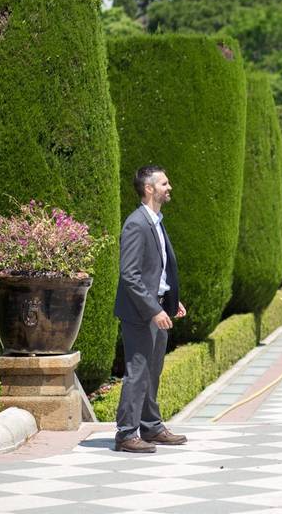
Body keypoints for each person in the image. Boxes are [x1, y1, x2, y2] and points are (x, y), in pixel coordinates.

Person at [113, 165, 188, 453]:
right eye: (164, 184)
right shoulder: (136, 224)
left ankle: (151, 427)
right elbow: (129, 274)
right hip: (139, 313)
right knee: (138, 370)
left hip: (157, 308)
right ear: (149, 189)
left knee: (153, 370)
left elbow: (156, 270)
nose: (169, 188)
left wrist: (169, 301)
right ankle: (126, 433)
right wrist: (152, 309)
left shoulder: (156, 222)